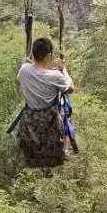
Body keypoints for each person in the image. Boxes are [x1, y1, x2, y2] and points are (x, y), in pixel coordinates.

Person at [14, 37, 75, 166]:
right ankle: (65, 150)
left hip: (30, 119)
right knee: (67, 116)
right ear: (49, 55)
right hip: (49, 120)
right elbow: (70, 88)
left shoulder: (24, 69)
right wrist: (63, 69)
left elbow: (22, 76)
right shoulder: (55, 76)